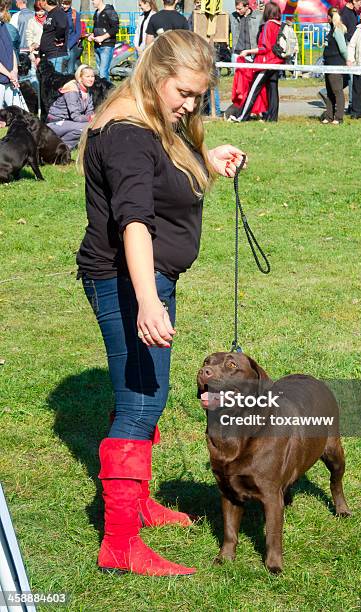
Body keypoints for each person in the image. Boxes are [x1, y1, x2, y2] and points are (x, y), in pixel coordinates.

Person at [76, 29, 246, 577]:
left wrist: (205, 157)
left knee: (144, 390)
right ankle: (120, 542)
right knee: (142, 400)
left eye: (199, 96)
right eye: (185, 93)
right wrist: (149, 301)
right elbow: (134, 221)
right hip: (128, 282)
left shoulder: (148, 118)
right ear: (155, 75)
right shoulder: (126, 132)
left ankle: (137, 502)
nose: (191, 105)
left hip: (145, 280)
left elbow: (161, 172)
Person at [229, 1, 282, 122]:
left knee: (253, 90)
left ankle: (242, 116)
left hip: (265, 62)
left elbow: (264, 47)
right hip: (276, 62)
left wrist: (248, 51)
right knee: (272, 90)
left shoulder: (268, 25)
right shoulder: (278, 24)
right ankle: (272, 118)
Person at [47, 64, 94, 148]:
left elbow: (89, 110)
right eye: (88, 76)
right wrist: (90, 118)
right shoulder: (72, 90)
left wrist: (93, 117)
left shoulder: (88, 91)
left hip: (69, 121)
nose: (91, 79)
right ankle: (62, 147)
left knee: (93, 124)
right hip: (56, 122)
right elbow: (75, 116)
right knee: (87, 127)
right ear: (80, 78)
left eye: (92, 76)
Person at [321, 7, 348, 124]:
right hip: (328, 65)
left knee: (337, 91)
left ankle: (339, 117)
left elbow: (343, 49)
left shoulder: (337, 30)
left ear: (329, 17)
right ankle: (329, 116)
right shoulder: (332, 30)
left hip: (336, 66)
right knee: (329, 92)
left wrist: (348, 61)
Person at [340, 0, 361, 112]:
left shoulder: (353, 12)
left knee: (348, 77)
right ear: (354, 1)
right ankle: (352, 105)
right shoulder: (344, 14)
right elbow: (344, 33)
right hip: (348, 47)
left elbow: (352, 29)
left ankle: (325, 92)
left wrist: (360, 21)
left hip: (352, 46)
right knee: (352, 78)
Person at [87, 0, 119, 82]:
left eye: (93, 0)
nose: (92, 2)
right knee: (99, 72)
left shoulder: (110, 11)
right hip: (97, 45)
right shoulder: (96, 12)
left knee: (103, 72)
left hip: (107, 45)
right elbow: (95, 28)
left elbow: (115, 28)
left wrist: (103, 37)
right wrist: (92, 35)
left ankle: (107, 93)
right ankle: (103, 91)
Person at [38, 0, 68, 72]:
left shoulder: (58, 12)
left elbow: (62, 26)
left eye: (40, 1)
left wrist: (59, 39)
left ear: (45, 1)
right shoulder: (50, 13)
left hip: (56, 54)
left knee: (57, 81)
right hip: (49, 54)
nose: (39, 3)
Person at [0, 2, 20, 108]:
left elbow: (11, 49)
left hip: (10, 77)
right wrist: (9, 74)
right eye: (4, 10)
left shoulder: (3, 26)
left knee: (20, 112)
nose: (5, 12)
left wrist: (15, 70)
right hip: (4, 77)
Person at [61, 0, 82, 75]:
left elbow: (78, 33)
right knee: (60, 71)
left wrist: (69, 45)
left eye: (67, 4)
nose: (64, 6)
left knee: (70, 71)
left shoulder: (75, 14)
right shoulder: (57, 13)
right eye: (63, 3)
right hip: (59, 45)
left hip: (71, 46)